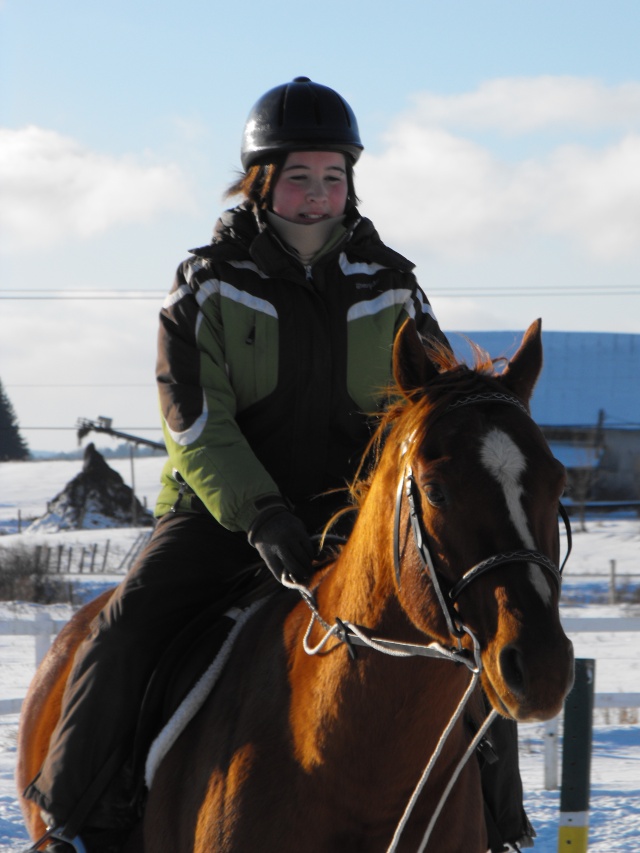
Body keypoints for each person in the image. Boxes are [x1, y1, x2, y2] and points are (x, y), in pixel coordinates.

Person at [24, 76, 533, 853]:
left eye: (333, 177)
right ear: (263, 183)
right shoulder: (207, 283)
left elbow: (424, 406)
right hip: (222, 516)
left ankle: (498, 823)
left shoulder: (391, 285)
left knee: (463, 640)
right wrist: (260, 512)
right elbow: (193, 420)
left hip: (351, 521)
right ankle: (73, 816)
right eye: (299, 177)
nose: (317, 195)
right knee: (125, 625)